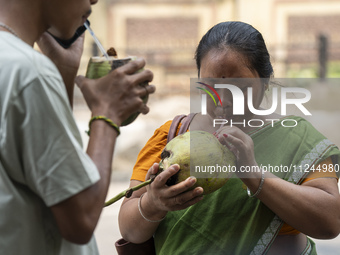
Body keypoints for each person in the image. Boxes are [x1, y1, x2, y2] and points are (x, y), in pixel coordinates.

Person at [118, 21, 340, 254]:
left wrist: (254, 175)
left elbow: (330, 223)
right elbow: (129, 231)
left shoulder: (297, 139)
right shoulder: (172, 136)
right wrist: (153, 204)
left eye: (240, 88)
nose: (223, 100)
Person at [0, 0, 155, 254]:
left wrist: (63, 75)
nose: (94, 0)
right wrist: (107, 113)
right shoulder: (29, 73)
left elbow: (48, 174)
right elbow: (80, 219)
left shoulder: (15, 64)